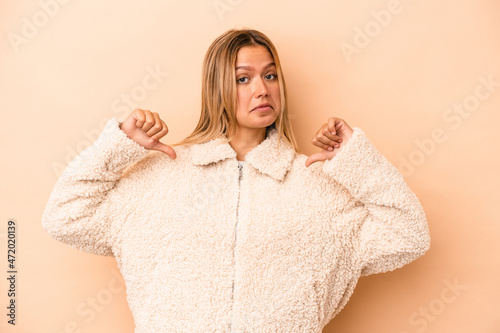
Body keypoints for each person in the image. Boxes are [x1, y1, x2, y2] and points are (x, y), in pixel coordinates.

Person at [41, 28, 431, 332]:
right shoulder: (163, 176)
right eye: (243, 79)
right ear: (217, 88)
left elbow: (408, 235)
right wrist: (121, 146)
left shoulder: (316, 186)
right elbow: (64, 216)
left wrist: (357, 162)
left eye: (271, 75)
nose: (262, 89)